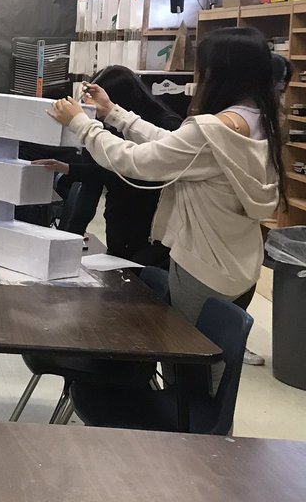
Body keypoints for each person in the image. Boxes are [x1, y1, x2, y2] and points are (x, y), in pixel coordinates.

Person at [50, 28, 283, 355]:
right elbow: (171, 145)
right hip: (242, 264)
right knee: (211, 363)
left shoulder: (213, 130)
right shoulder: (259, 121)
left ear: (220, 73)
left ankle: (181, 407)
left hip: (203, 268)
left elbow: (134, 161)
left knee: (187, 366)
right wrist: (114, 113)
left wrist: (82, 125)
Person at [33, 65, 184, 264]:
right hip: (118, 221)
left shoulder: (166, 127)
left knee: (146, 283)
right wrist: (69, 239)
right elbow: (92, 187)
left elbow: (131, 168)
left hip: (154, 229)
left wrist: (70, 166)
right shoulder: (103, 126)